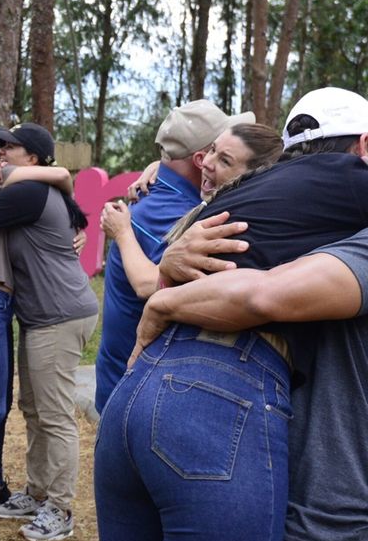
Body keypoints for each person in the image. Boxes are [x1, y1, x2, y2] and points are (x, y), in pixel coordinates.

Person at [80, 87, 368, 541]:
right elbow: (258, 296)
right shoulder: (348, 194)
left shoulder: (253, 196)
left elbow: (169, 270)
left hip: (141, 388)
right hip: (225, 399)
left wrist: (162, 291)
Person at [0, 123, 99, 541]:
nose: (2, 152)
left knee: (54, 414)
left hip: (59, 313)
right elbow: (63, 182)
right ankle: (37, 493)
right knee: (34, 409)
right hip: (41, 315)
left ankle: (60, 507)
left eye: (11, 147)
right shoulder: (34, 185)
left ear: (33, 158)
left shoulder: (28, 191)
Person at [93, 99, 255, 417]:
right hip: (140, 396)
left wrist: (154, 167)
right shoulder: (174, 216)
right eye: (220, 150)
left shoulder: (160, 197)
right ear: (201, 158)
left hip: (127, 387)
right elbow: (151, 286)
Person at [101, 123, 282, 298]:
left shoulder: (221, 224)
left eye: (225, 160)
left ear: (256, 176)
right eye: (212, 150)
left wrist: (122, 232)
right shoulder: (203, 206)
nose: (205, 162)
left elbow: (148, 285)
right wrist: (158, 166)